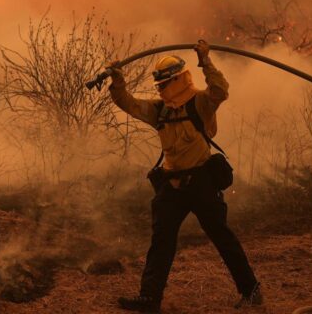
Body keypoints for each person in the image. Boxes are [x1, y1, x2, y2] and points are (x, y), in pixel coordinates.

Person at [111, 40, 262, 313]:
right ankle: (150, 298)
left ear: (179, 79)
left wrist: (205, 60)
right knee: (161, 241)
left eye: (165, 84)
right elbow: (129, 104)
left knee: (221, 237)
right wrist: (117, 80)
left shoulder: (200, 103)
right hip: (171, 184)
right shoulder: (160, 110)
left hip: (202, 180)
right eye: (159, 85)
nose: (161, 89)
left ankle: (250, 291)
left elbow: (221, 90)